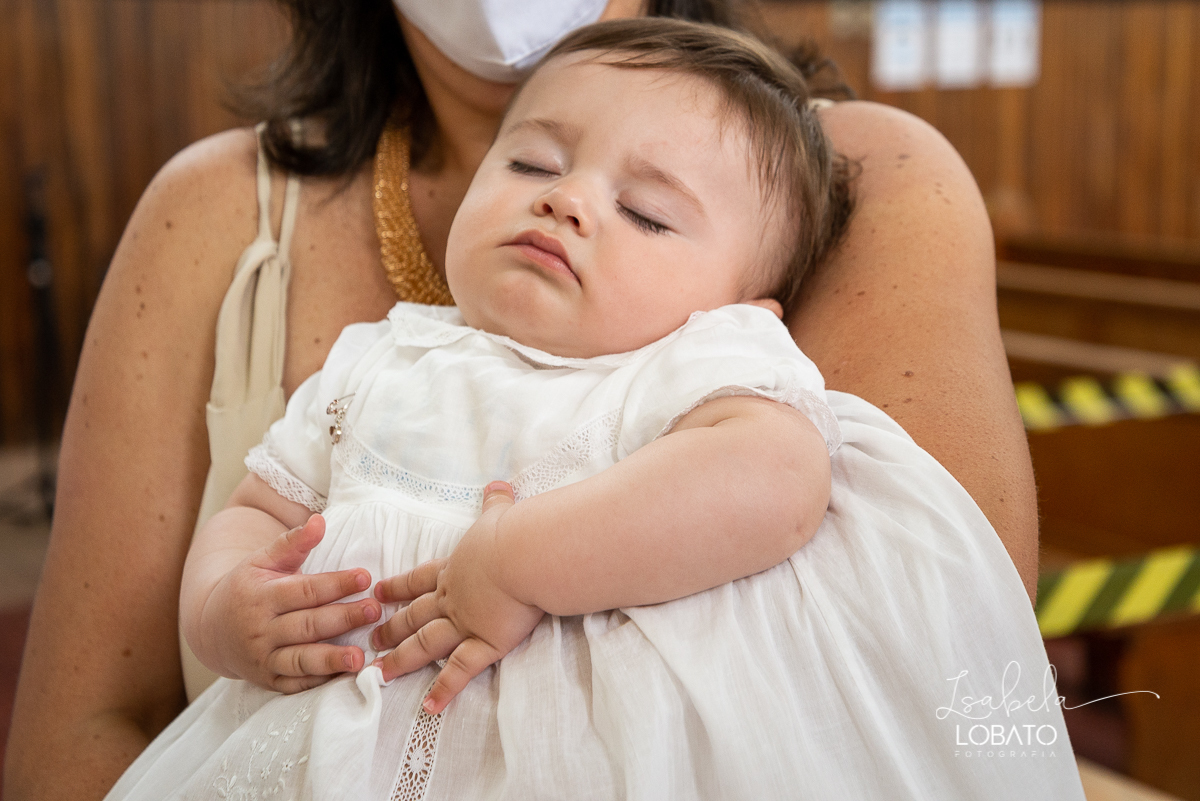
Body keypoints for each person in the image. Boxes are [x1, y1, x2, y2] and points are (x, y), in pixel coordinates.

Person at [5, 2, 1042, 800]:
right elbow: (259, 509)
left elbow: (784, 482)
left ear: (749, 309)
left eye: (643, 212)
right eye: (534, 162)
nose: (567, 197)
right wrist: (223, 609)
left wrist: (517, 559)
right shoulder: (383, 356)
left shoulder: (698, 357)